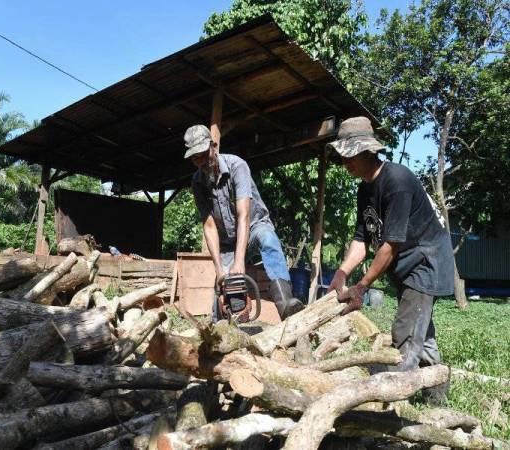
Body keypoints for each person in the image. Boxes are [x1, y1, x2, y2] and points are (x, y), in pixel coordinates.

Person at [326, 116, 454, 404]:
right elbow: (363, 238)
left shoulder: (396, 180)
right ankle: (437, 396)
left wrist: (362, 285)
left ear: (368, 151)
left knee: (406, 334)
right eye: (343, 155)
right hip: (405, 264)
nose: (345, 162)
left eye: (350, 155)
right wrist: (342, 272)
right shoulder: (365, 189)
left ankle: (393, 404)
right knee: (422, 333)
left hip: (425, 261)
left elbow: (390, 244)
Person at [184, 124, 303, 320]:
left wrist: (240, 261)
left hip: (254, 227)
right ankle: (224, 324)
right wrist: (219, 269)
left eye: (203, 154)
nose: (200, 161)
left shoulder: (237, 166)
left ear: (213, 147)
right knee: (225, 287)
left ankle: (285, 304)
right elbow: (209, 226)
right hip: (228, 241)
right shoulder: (197, 182)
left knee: (268, 239)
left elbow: (243, 216)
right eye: (194, 158)